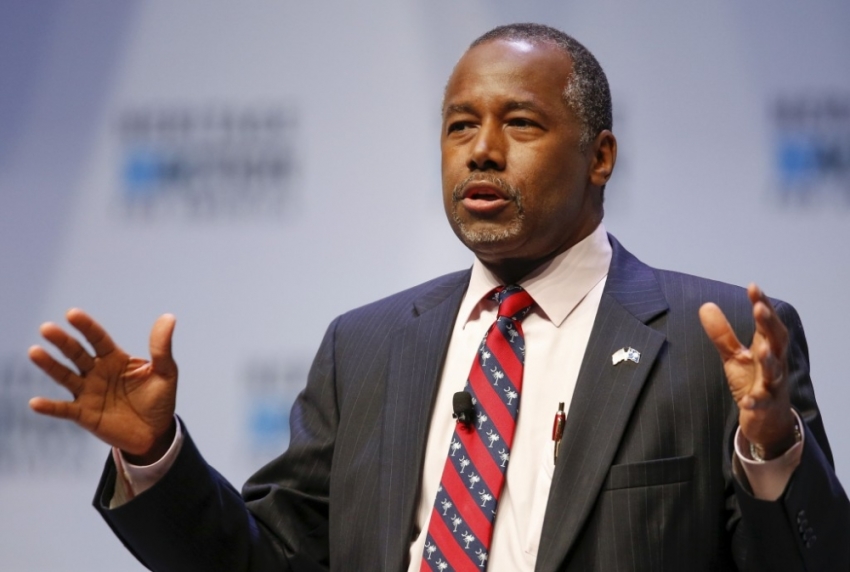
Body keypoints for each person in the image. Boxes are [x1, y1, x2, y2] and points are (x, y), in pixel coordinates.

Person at [29, 23, 848, 571]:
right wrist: (154, 455)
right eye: (460, 127)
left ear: (600, 156)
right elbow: (264, 560)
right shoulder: (368, 346)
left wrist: (772, 451)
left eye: (520, 124)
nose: (482, 152)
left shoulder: (717, 342)